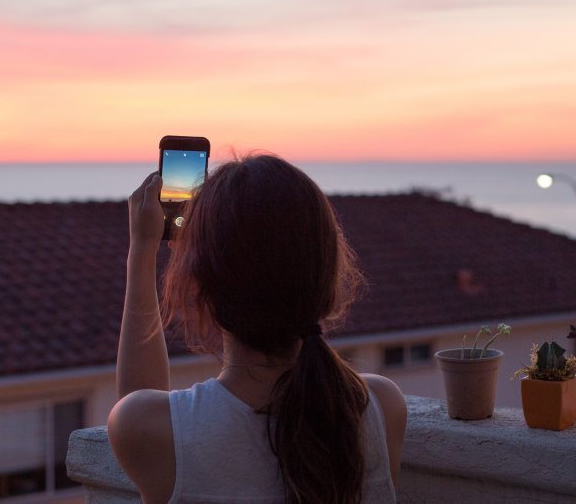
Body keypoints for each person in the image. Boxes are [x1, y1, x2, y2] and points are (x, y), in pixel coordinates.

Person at [108, 154, 407, 504]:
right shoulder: (379, 408)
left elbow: (137, 406)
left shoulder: (149, 427)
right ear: (326, 277)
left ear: (199, 285)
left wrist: (141, 251)